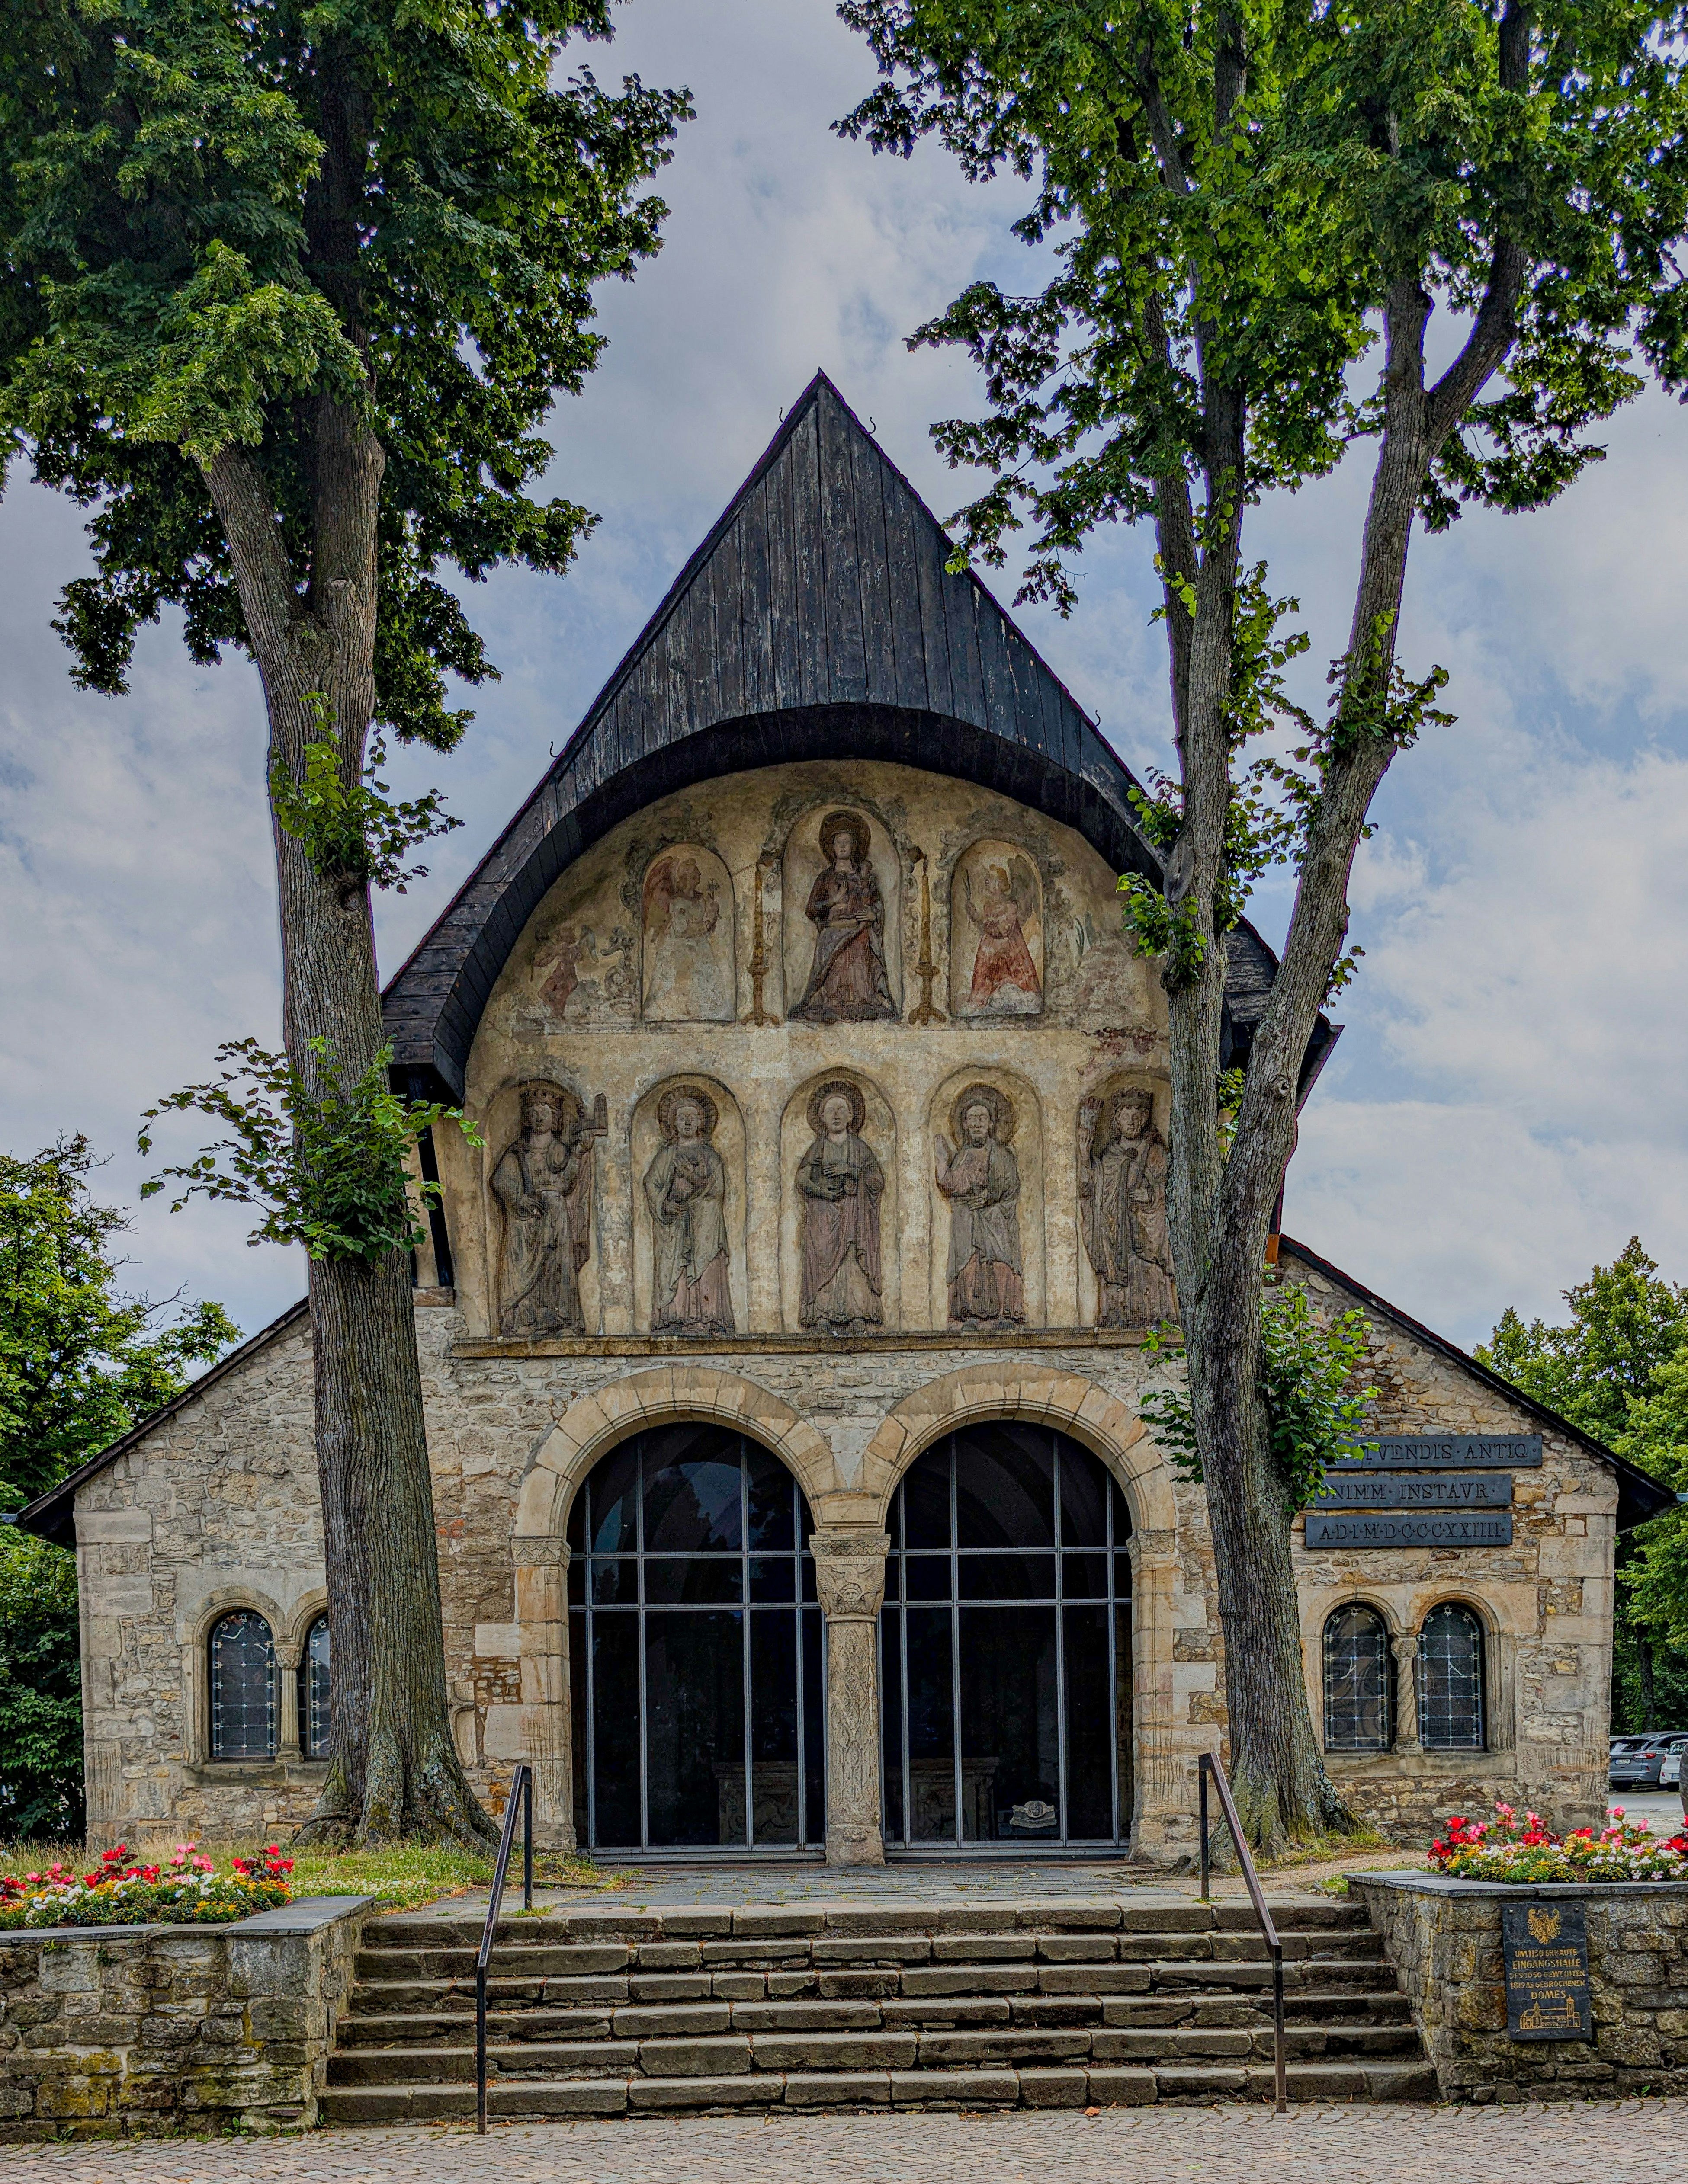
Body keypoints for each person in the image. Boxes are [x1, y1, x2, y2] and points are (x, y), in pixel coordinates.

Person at [491, 1083, 598, 1335]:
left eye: (545, 1112)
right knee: (521, 1271)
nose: (539, 1117)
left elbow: (567, 1183)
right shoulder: (518, 1151)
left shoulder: (559, 1150)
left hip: (555, 1220)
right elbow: (500, 1181)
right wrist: (519, 1199)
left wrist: (580, 1151)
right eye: (534, 1112)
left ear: (556, 1119)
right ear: (527, 1118)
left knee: (556, 1266)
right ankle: (523, 1320)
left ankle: (556, 1318)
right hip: (525, 1223)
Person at [1078, 1087, 1176, 1327]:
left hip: (1145, 1233)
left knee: (1147, 1270)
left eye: (1138, 1115)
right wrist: (1083, 1154)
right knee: (1118, 1272)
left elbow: (1170, 1191)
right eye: (1126, 1115)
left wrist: (1151, 1195)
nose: (1132, 1121)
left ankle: (1153, 1317)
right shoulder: (1110, 1156)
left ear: (1145, 1119)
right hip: (1116, 1236)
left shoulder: (1155, 1153)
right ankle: (1116, 1316)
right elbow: (1091, 1188)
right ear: (1117, 1120)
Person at [790, 812, 898, 1023]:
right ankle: (831, 1004)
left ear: (854, 846)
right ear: (832, 847)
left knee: (858, 961)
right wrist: (833, 901)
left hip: (858, 931)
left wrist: (873, 914)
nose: (842, 846)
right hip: (833, 931)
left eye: (846, 842)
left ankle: (863, 1003)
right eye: (838, 842)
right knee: (835, 970)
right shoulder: (826, 877)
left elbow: (876, 904)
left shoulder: (864, 877)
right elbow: (812, 910)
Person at [643, 1089, 734, 1334]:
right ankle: (675, 1318)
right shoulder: (667, 1155)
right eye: (682, 1117)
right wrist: (666, 1205)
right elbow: (651, 1183)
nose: (687, 1121)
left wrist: (692, 1178)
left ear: (701, 1122)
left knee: (705, 1267)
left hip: (705, 1224)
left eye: (692, 1116)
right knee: (675, 1269)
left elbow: (717, 1190)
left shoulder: (710, 1155)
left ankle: (708, 1319)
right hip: (674, 1225)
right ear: (673, 1123)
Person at [796, 1084, 885, 1331]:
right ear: (822, 1118)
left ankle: (857, 1315)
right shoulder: (817, 1149)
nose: (836, 1115)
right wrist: (823, 1192)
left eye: (841, 1110)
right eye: (830, 1111)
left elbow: (877, 1181)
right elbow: (801, 1180)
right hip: (822, 1219)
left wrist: (853, 1172)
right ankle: (822, 1316)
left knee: (851, 1263)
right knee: (823, 1264)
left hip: (854, 1217)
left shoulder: (860, 1148)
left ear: (851, 1116)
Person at [935, 1092, 1024, 1327]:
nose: (976, 1123)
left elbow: (1012, 1186)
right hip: (968, 1221)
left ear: (991, 1124)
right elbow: (952, 1185)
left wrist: (989, 1197)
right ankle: (970, 1316)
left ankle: (1005, 1315)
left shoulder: (1002, 1155)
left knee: (1001, 1263)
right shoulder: (963, 1156)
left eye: (982, 1118)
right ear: (964, 1124)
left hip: (997, 1220)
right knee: (969, 1264)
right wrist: (942, 1163)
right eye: (972, 1118)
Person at [960, 855, 1041, 1015]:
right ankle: (981, 1000)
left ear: (1001, 884)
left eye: (991, 880)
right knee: (985, 972)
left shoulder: (1011, 906)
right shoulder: (989, 906)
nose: (988, 883)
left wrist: (980, 921)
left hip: (1010, 950)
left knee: (1016, 981)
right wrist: (975, 916)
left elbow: (1004, 931)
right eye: (988, 880)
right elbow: (986, 927)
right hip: (991, 949)